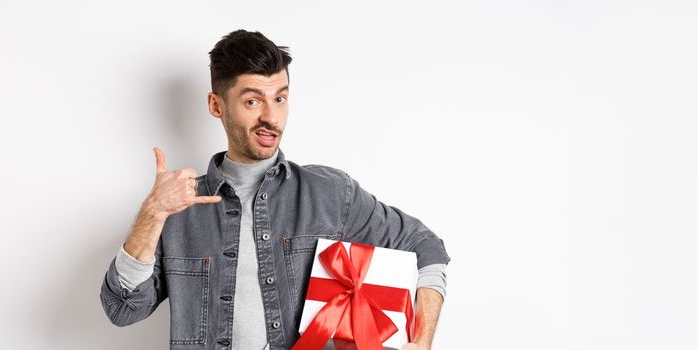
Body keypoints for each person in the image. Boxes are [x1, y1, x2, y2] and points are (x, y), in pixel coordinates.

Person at [100, 29, 450, 350]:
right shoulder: (179, 208)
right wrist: (153, 213)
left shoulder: (329, 193)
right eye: (253, 101)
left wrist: (421, 342)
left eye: (280, 99)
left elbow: (426, 246)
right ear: (216, 105)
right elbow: (122, 308)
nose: (272, 117)